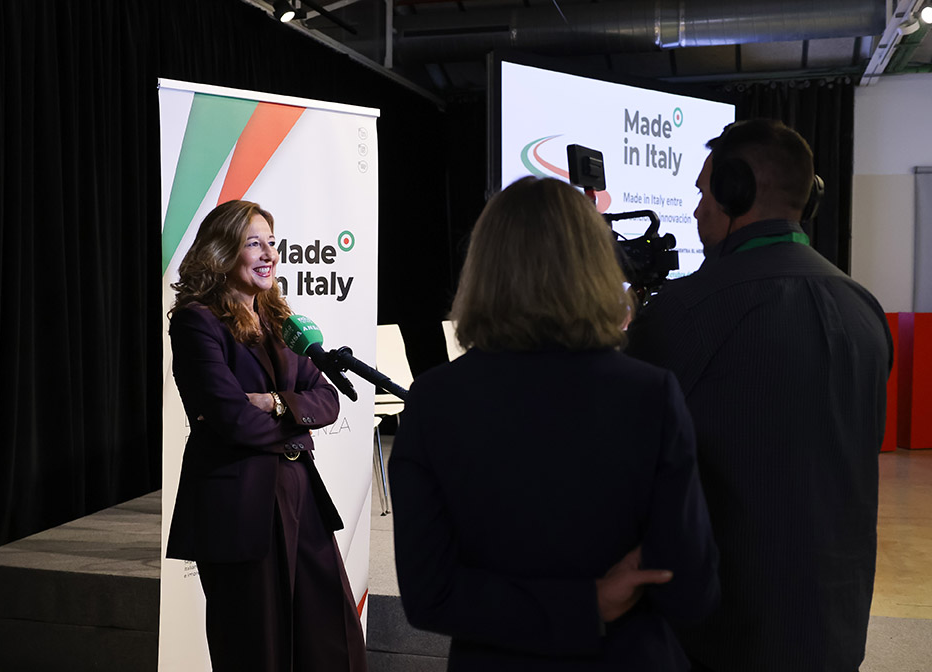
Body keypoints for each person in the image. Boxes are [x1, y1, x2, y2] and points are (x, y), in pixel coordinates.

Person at [388, 176, 720, 671]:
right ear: (597, 266)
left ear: (483, 269)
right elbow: (691, 591)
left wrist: (577, 607)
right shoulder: (650, 395)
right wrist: (593, 602)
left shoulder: (434, 401)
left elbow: (428, 595)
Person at [626, 119, 894, 672]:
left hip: (725, 635)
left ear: (735, 191)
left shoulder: (685, 312)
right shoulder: (865, 308)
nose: (696, 210)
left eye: (704, 193)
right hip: (838, 626)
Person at [165, 200, 367, 672]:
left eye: (272, 243)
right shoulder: (197, 322)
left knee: (329, 636)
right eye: (253, 243)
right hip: (240, 501)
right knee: (257, 645)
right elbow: (233, 419)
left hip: (300, 494)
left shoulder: (282, 321)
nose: (269, 254)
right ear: (222, 252)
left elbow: (328, 398)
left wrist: (276, 402)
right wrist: (298, 420)